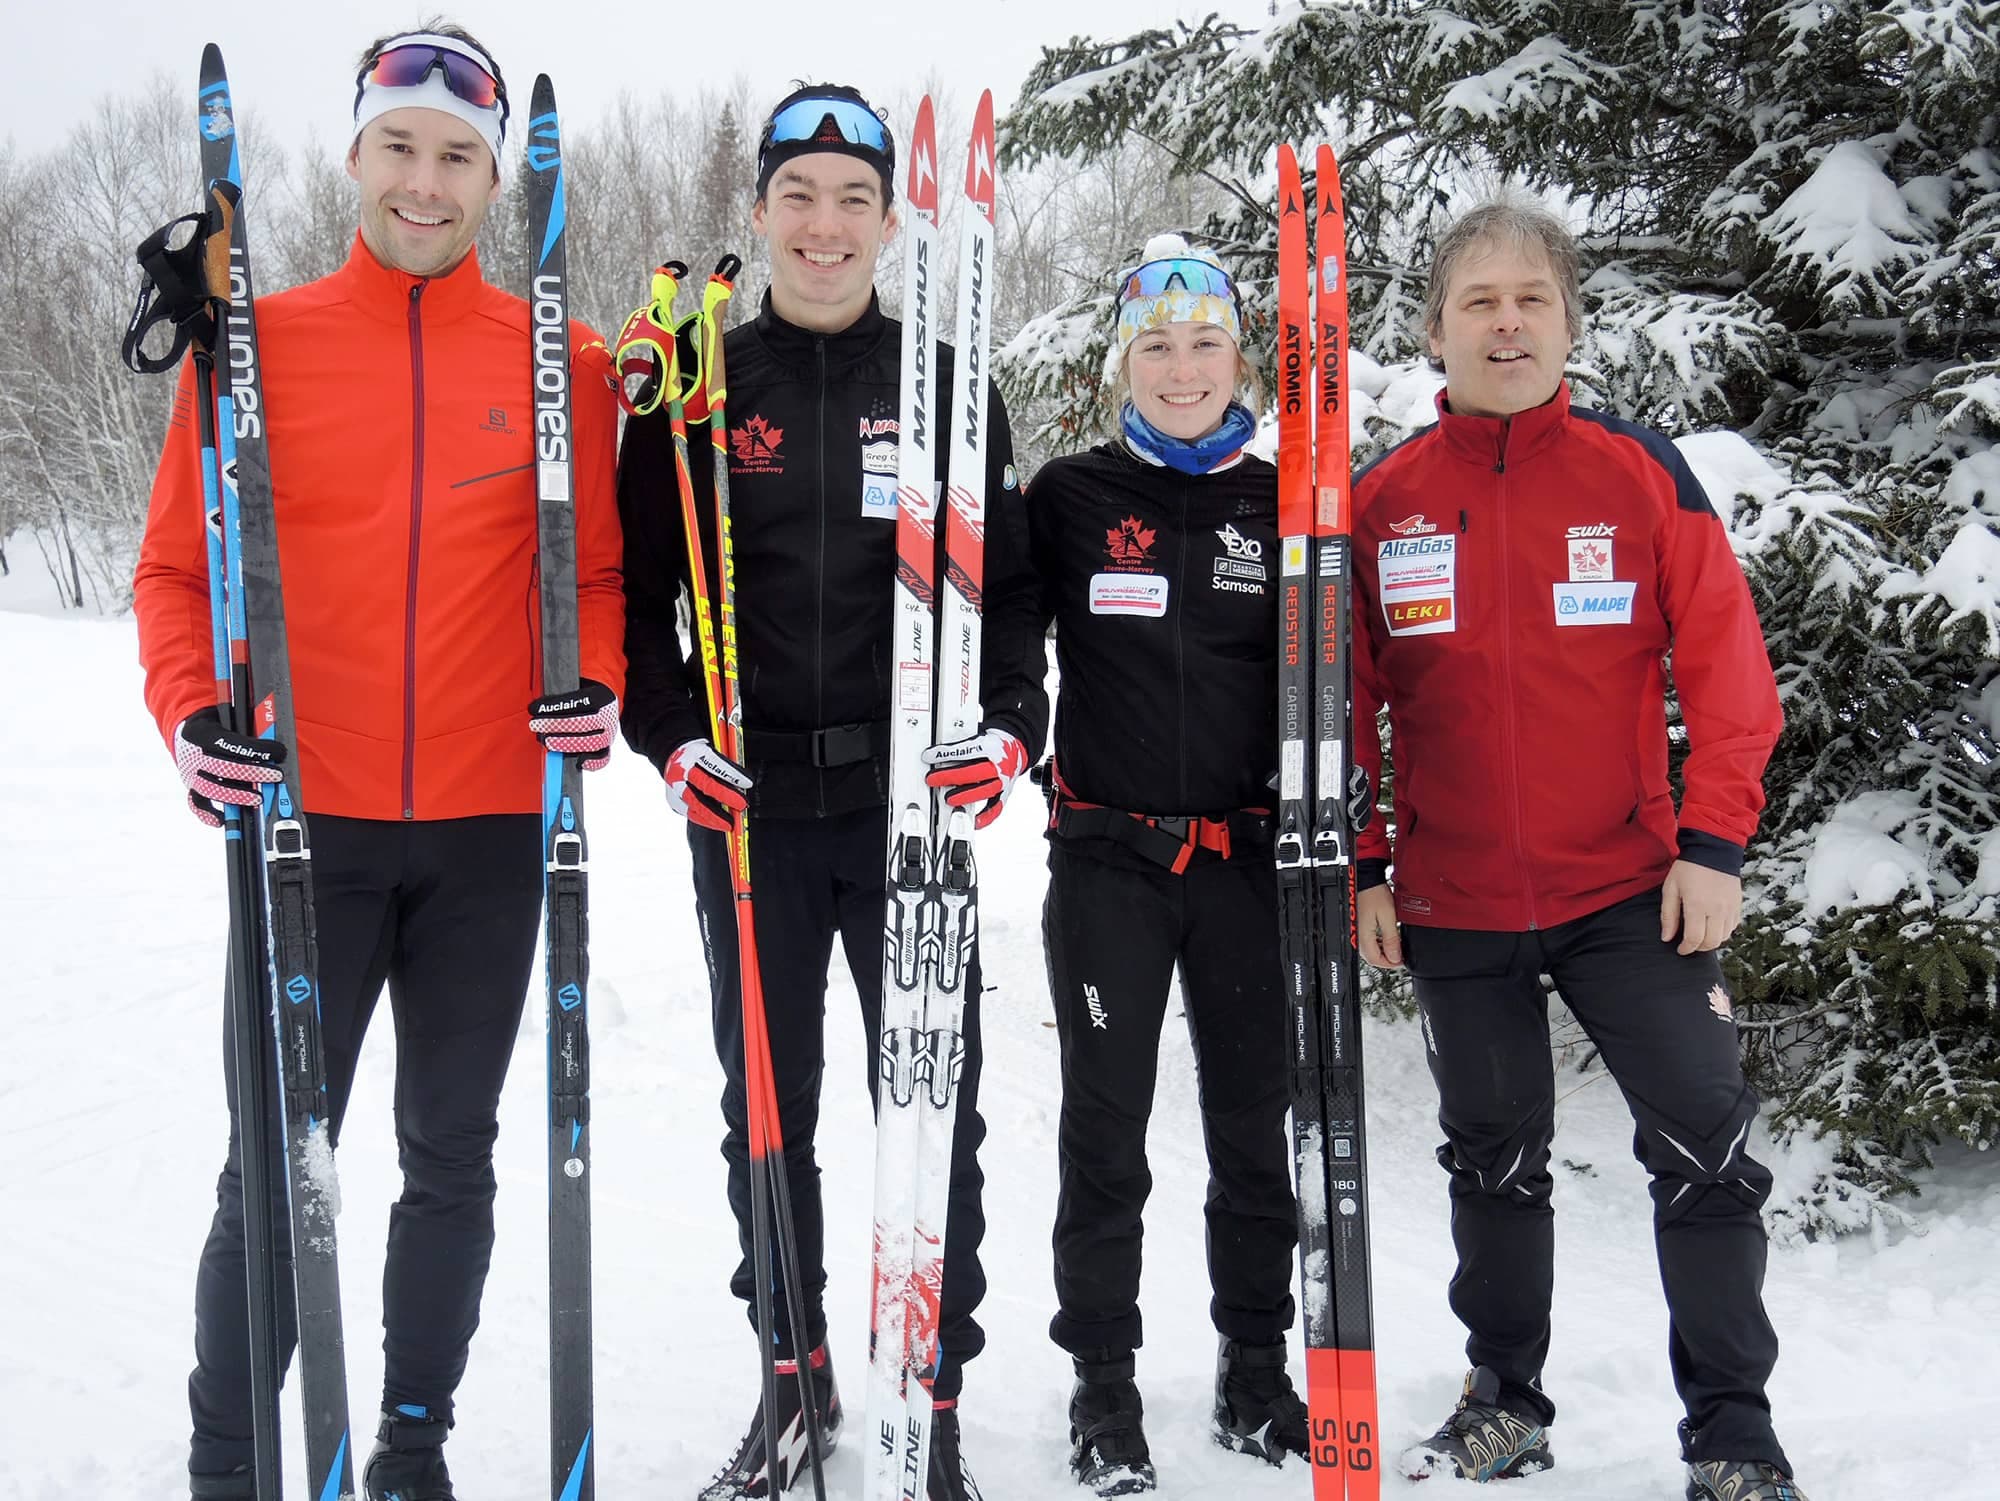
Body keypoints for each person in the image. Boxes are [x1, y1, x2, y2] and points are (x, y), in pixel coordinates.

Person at [133, 24, 625, 1501]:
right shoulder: (257, 349)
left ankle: (413, 1445)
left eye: (458, 156)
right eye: (399, 147)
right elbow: (170, 574)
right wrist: (187, 714)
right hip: (306, 821)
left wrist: (591, 676)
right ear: (355, 154)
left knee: (454, 1155)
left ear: (497, 179)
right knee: (278, 1172)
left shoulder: (562, 363)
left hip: (488, 827)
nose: (426, 182)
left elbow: (595, 573)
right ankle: (232, 1459)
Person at [615, 83, 1048, 1501]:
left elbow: (1015, 601)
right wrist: (673, 739)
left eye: (853, 198)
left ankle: (930, 1393)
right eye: (797, 194)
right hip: (749, 812)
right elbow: (645, 611)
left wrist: (1007, 731)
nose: (823, 223)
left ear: (889, 219)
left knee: (936, 1101)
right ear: (760, 211)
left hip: (905, 813)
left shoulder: (938, 381)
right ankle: (790, 1380)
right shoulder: (696, 396)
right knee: (768, 1104)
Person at [1349, 195, 1806, 1501]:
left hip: (1630, 889)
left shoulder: (1638, 474)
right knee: (1493, 1161)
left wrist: (1714, 842)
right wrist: (1367, 862)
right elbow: (1344, 699)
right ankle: (1507, 1401)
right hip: (1458, 895)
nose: (1506, 322)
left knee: (1710, 1151)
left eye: (1530, 299)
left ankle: (1734, 1435)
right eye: (1479, 301)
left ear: (1568, 321)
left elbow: (1730, 672)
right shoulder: (1387, 504)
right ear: (1435, 330)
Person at [1022, 237, 1314, 1498]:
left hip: (1247, 863)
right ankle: (1103, 1383)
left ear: (1238, 355)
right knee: (1106, 1130)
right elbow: (986, 636)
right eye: (1155, 345)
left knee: (1255, 1126)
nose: (1180, 367)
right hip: (1111, 864)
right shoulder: (1069, 497)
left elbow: (1342, 672)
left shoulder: (1282, 498)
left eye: (1203, 343)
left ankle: (1255, 1370)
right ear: (1122, 364)